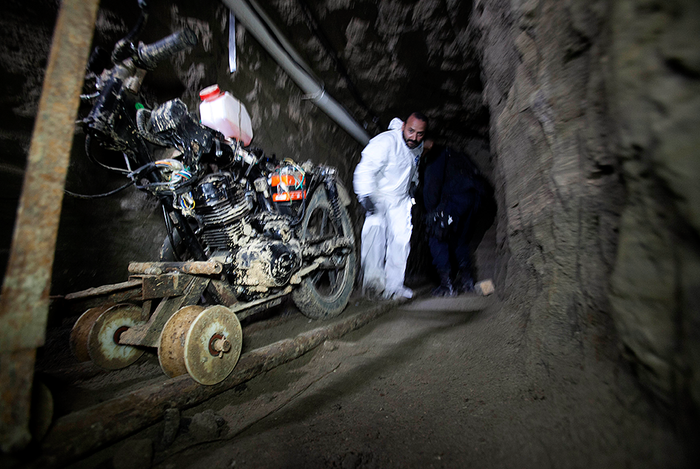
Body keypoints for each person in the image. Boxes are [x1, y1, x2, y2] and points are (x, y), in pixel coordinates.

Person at [353, 112, 428, 299]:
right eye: (411, 131)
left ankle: (394, 286)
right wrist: (364, 195)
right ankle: (374, 285)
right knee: (374, 236)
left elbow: (413, 167)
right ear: (403, 126)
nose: (414, 137)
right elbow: (366, 167)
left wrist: (412, 184)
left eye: (420, 134)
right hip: (379, 196)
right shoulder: (386, 142)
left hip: (400, 200)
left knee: (401, 242)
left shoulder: (417, 147)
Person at [423, 146, 484, 296]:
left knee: (436, 235)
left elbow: (433, 184)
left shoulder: (437, 155)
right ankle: (466, 281)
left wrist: (432, 213)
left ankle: (447, 285)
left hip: (453, 200)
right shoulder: (458, 155)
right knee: (460, 241)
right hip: (472, 200)